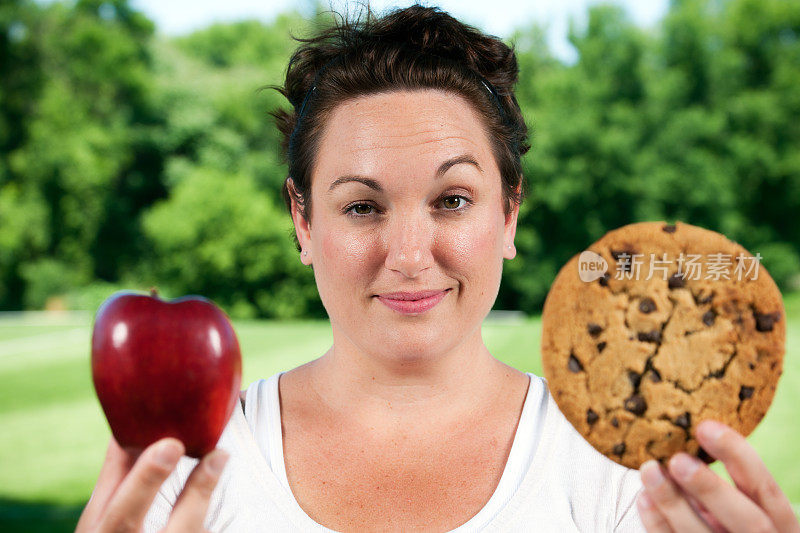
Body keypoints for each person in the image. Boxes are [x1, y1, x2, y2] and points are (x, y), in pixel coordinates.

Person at [76, 4, 800, 532]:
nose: (411, 254)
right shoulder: (184, 471)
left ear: (509, 214)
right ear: (302, 220)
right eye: (362, 206)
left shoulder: (626, 474)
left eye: (453, 199)